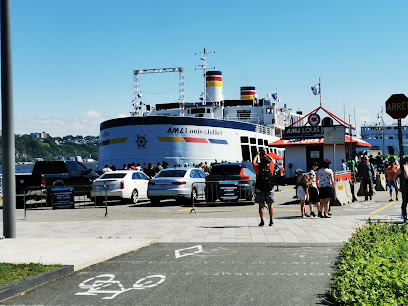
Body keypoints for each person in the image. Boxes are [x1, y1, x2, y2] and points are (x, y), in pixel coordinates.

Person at [253, 148, 275, 226]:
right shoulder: (270, 167)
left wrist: (257, 154)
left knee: (261, 206)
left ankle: (262, 221)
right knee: (270, 205)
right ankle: (271, 220)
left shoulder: (258, 168)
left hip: (260, 189)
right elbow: (272, 160)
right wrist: (266, 154)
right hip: (270, 189)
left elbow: (254, 162)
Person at [394, 157, 408, 222]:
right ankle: (405, 215)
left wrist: (397, 186)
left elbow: (395, 178)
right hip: (407, 185)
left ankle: (404, 214)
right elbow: (407, 176)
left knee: (404, 201)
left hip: (403, 187)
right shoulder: (405, 167)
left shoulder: (400, 169)